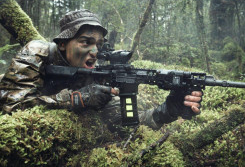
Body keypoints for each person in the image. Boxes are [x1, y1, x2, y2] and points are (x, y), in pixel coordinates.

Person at [0, 9, 202, 132]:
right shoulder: (37, 52)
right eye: (86, 42)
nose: (95, 51)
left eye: (99, 44)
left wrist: (167, 111)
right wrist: (76, 99)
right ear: (62, 43)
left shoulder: (94, 73)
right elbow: (13, 105)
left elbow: (126, 122)